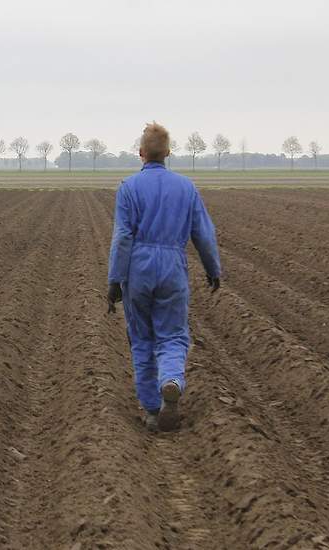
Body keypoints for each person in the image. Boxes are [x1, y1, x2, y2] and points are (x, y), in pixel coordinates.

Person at [107, 122, 222, 433]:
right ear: (168, 153)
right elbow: (204, 234)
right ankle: (171, 379)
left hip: (139, 268)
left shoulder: (129, 187)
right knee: (172, 335)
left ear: (141, 153)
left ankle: (153, 410)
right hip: (172, 264)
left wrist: (114, 281)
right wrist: (213, 269)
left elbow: (123, 236)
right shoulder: (186, 187)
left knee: (142, 339)